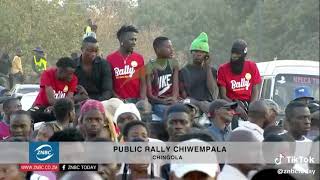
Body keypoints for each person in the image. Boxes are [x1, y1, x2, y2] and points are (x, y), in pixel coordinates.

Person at [180, 32, 218, 113]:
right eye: (196, 51)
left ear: (206, 54)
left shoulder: (212, 71)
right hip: (190, 103)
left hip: (207, 104)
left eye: (202, 52)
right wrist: (198, 103)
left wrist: (207, 67)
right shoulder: (184, 71)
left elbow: (212, 90)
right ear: (191, 52)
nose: (198, 54)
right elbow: (183, 93)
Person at [30, 57, 78, 123]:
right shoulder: (47, 74)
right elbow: (51, 100)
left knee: (70, 118)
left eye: (73, 73)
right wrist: (56, 106)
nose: (71, 76)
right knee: (28, 116)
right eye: (69, 74)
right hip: (41, 106)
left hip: (61, 109)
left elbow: (68, 101)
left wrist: (56, 107)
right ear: (60, 70)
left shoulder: (74, 79)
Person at [106, 25, 146, 103]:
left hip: (137, 101)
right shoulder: (110, 59)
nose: (134, 43)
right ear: (122, 40)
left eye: (135, 40)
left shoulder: (139, 58)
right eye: (131, 39)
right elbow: (109, 86)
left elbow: (143, 83)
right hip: (118, 101)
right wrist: (119, 100)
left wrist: (142, 100)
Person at [217, 39, 262, 106]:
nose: (234, 56)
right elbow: (223, 95)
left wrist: (251, 107)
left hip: (248, 103)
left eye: (238, 54)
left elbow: (255, 91)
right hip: (230, 104)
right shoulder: (223, 69)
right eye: (233, 53)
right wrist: (235, 106)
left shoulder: (252, 66)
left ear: (244, 55)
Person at [146, 37, 179, 119]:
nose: (172, 50)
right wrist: (163, 102)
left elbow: (175, 86)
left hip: (172, 100)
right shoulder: (150, 67)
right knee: (169, 113)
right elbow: (149, 95)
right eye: (168, 47)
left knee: (186, 110)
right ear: (157, 49)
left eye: (171, 47)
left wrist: (174, 98)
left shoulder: (174, 64)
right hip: (158, 103)